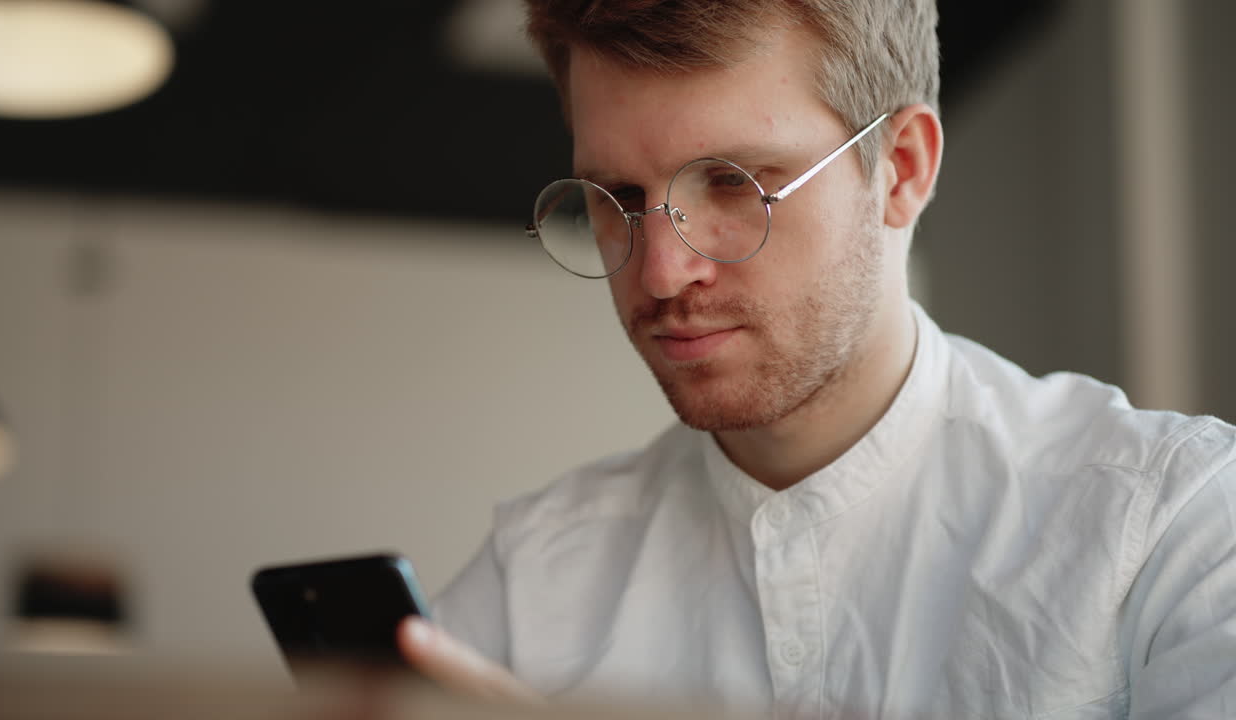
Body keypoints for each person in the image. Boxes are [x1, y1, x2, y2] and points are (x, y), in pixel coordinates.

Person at [398, 1, 1236, 717]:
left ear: (901, 169)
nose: (659, 271)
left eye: (732, 184)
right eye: (617, 199)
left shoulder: (1171, 527)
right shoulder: (531, 583)